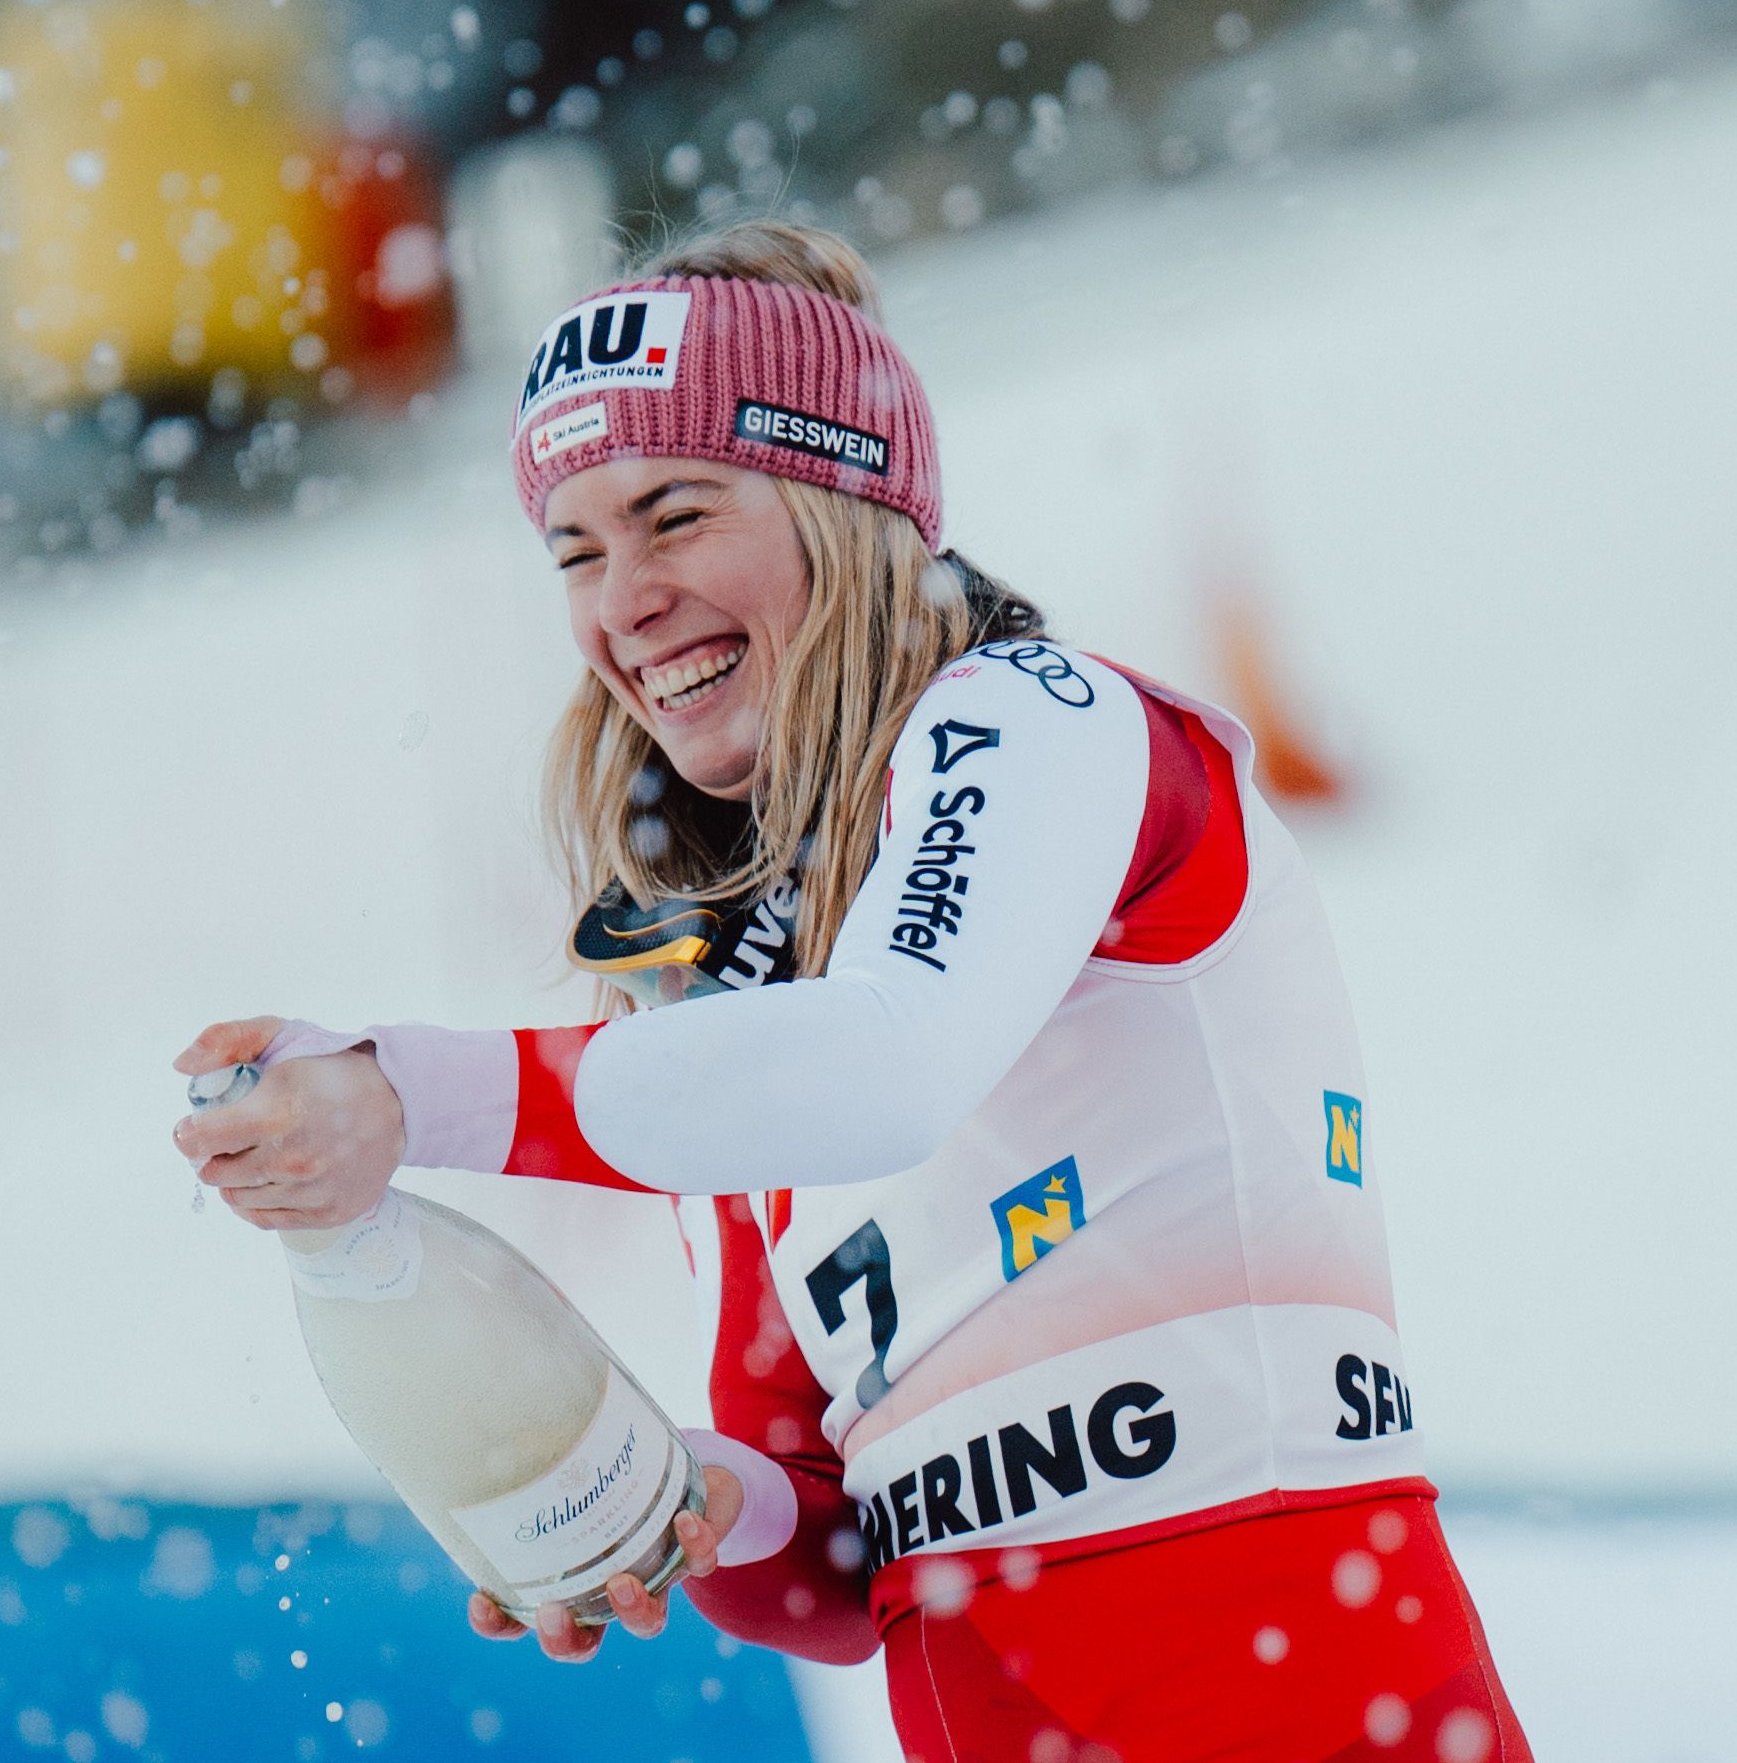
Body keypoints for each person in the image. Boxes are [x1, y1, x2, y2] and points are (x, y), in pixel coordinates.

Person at [171, 222, 1528, 1762]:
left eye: (674, 515)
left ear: (848, 500)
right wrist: (665, 1498)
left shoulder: (1049, 723)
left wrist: (415, 1091)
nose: (623, 601)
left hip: (1301, 1699)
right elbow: (837, 1554)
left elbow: (893, 1060)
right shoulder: (717, 1011)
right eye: (575, 551)